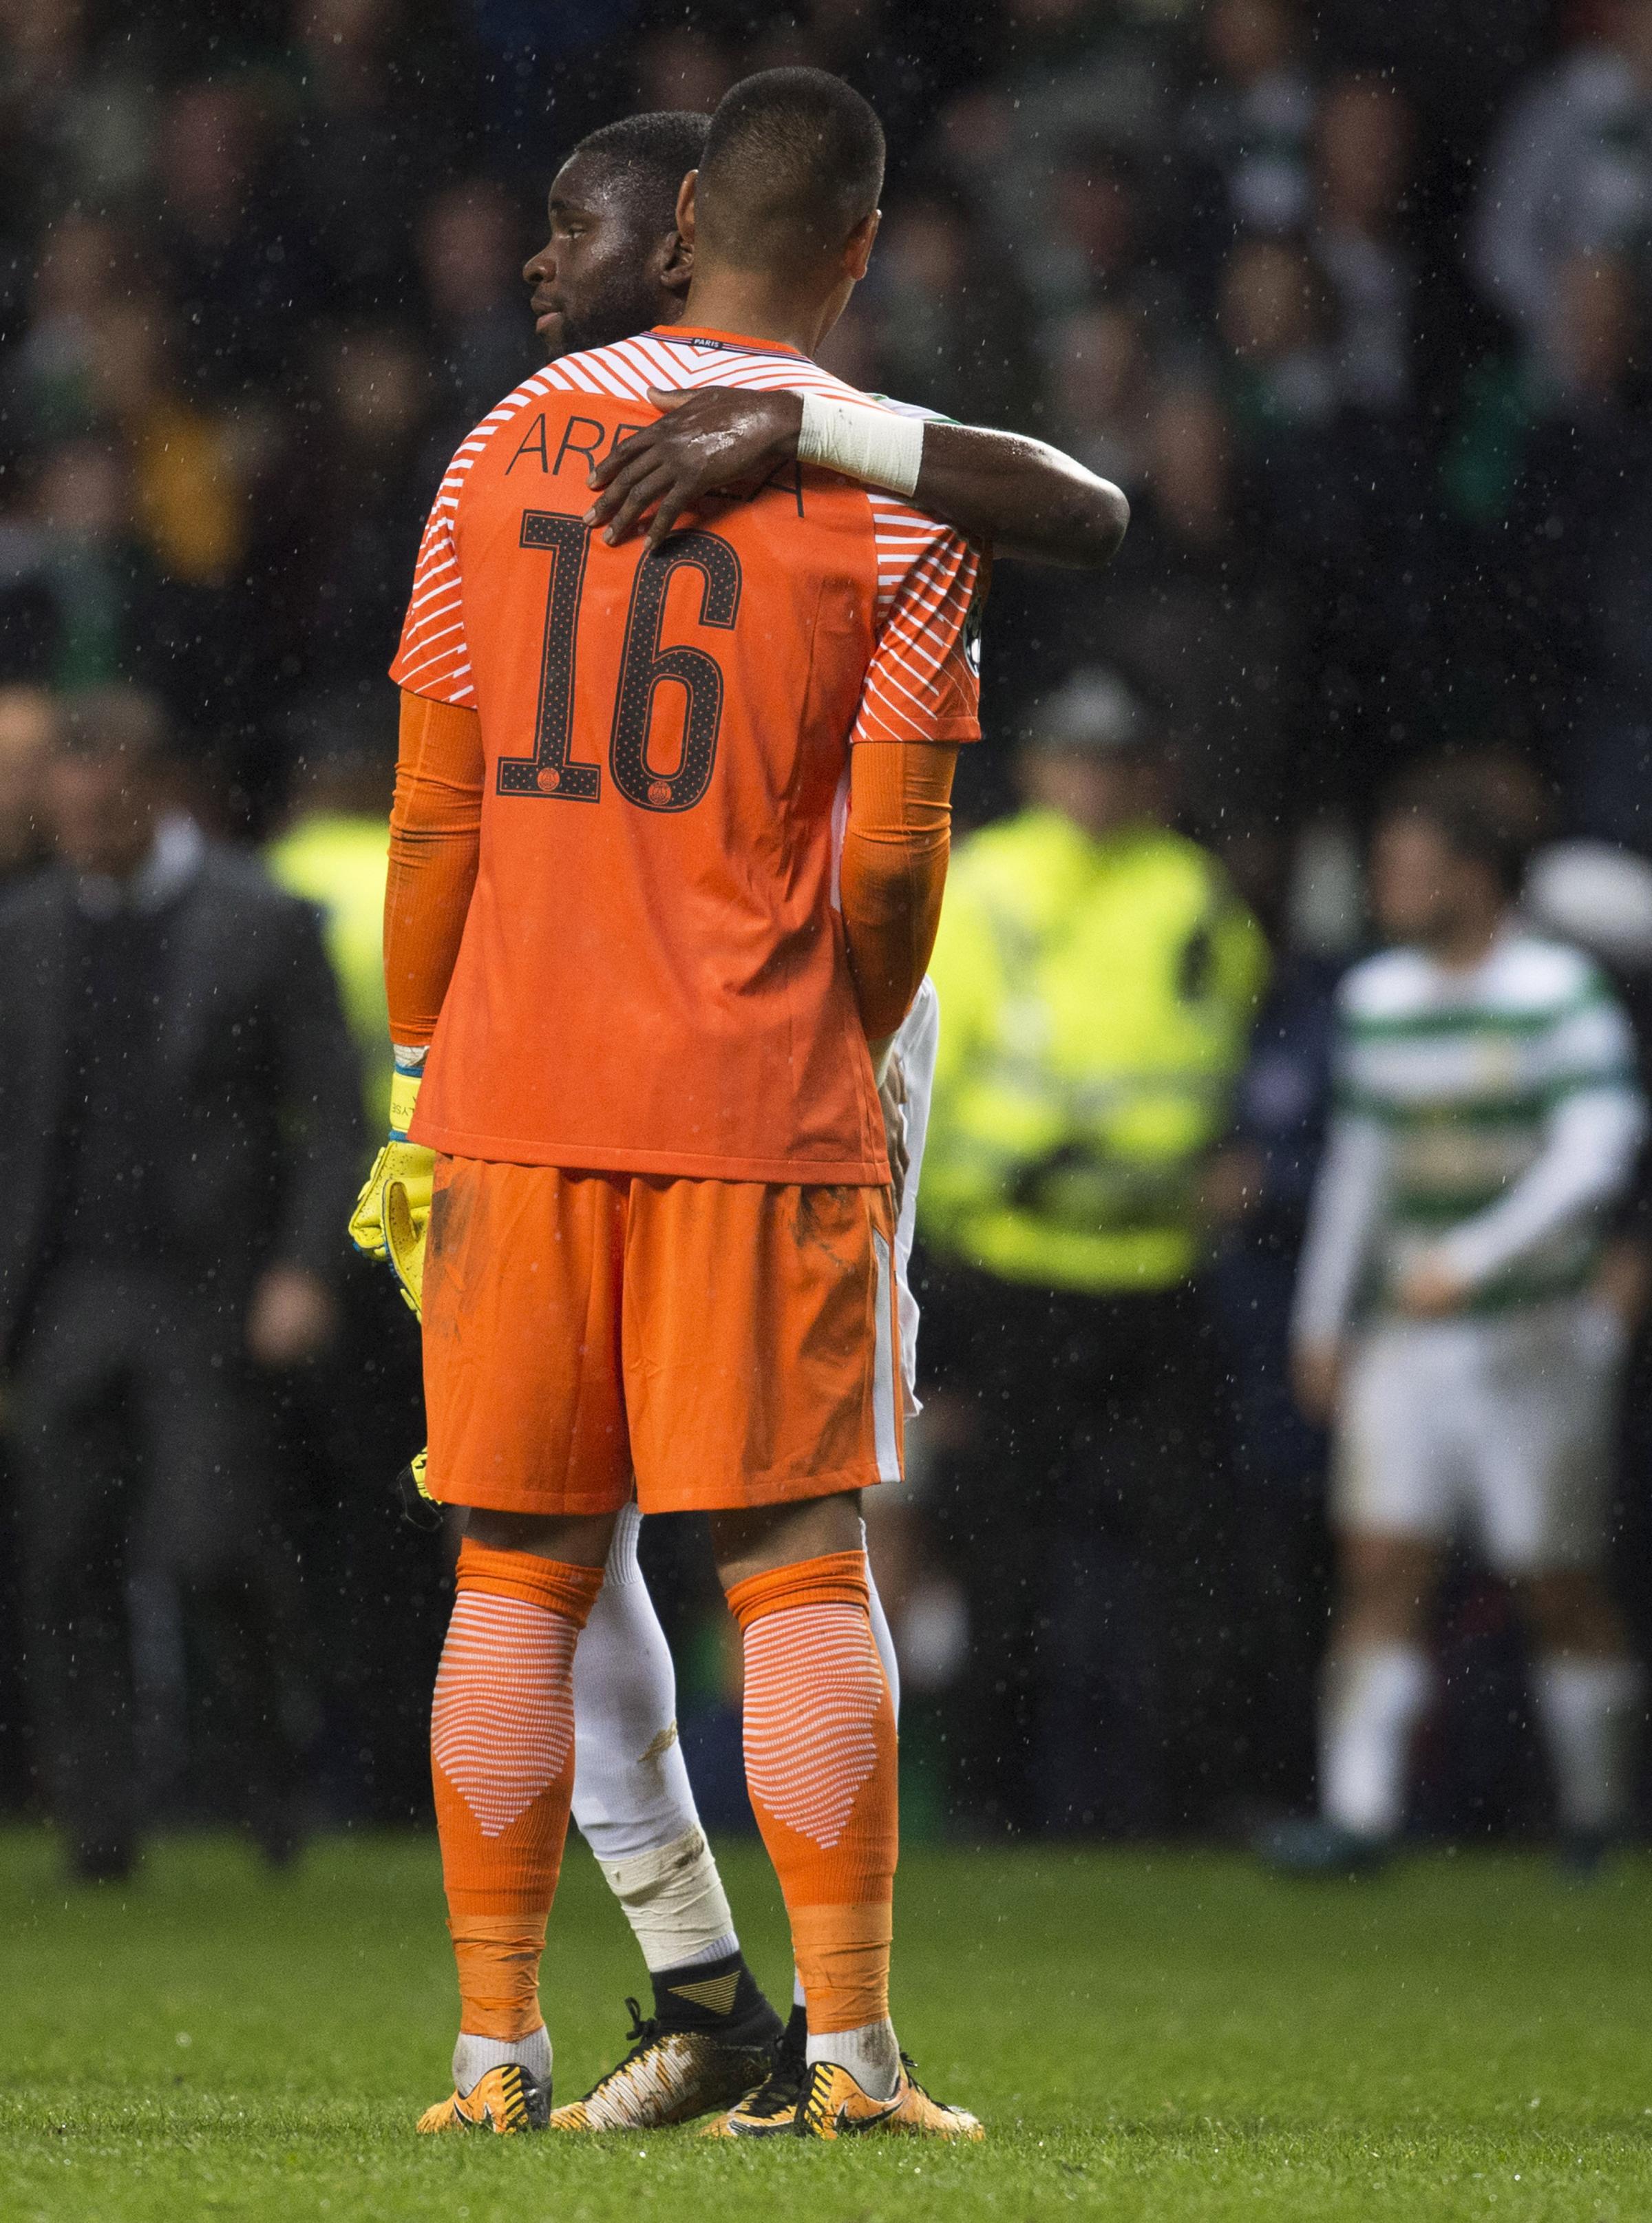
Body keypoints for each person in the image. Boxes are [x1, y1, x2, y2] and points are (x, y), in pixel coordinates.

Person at [354, 102, 1130, 2134]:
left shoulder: (496, 449)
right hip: (754, 1096)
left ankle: (492, 2051)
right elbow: (894, 859)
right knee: (794, 1560)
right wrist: (823, 1029)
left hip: (518, 1094)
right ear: (864, 252)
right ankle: (853, 2053)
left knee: (512, 1571)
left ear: (689, 222)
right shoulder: (900, 501)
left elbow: (435, 813)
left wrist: (428, 1060)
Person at [0, 685, 363, 1880]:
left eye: (107, 802)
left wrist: (307, 1266)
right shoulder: (28, 932)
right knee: (66, 1554)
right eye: (69, 803)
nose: (86, 824)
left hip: (211, 1289)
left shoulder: (262, 921)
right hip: (69, 1294)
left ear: (157, 790)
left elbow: (332, 1120)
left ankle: (270, 1788)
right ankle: (103, 1831)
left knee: (211, 1549)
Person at [1270, 768, 1648, 1875]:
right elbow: (1362, 1172)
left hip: (1533, 1331)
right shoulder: (1381, 998)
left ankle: (1593, 1809)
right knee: (1384, 1558)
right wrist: (1322, 1318)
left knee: (1555, 1579)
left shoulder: (1556, 993)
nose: (1388, 885)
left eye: (1410, 866)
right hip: (1410, 1338)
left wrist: (1475, 1256)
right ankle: (1359, 1813)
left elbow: (1596, 1156)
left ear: (1475, 879)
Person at [918, 668, 1269, 1835]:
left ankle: (1191, 1798)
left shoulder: (1190, 889)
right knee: (1008, 1544)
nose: (1095, 783)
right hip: (1016, 1260)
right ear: (1036, 766)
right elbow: (934, 1064)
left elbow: (1218, 1048)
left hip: (1157, 1264)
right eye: (1077, 758)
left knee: (1189, 1552)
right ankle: (993, 1796)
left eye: (1116, 762)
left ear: (1148, 773)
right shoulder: (986, 883)